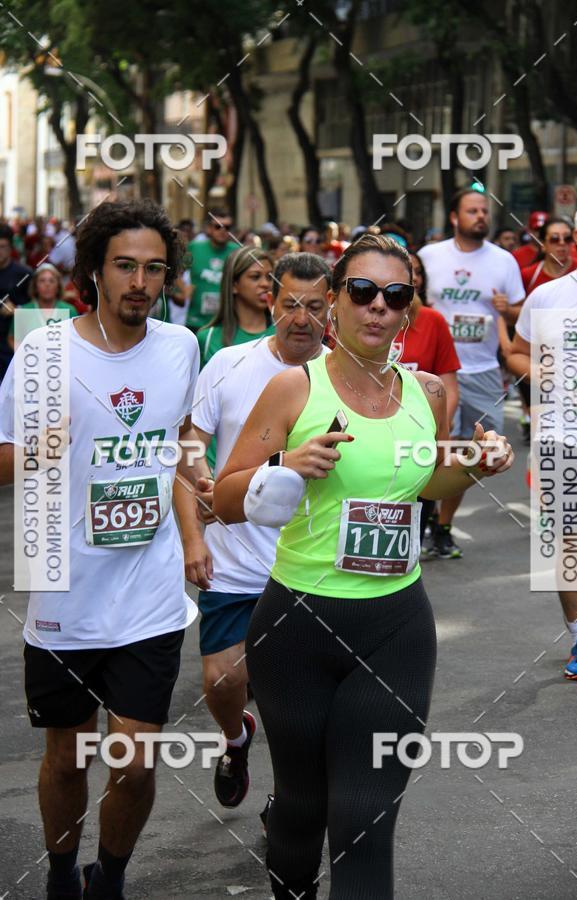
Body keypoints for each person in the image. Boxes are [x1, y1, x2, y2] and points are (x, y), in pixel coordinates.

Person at [213, 234, 513, 899]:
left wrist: (473, 466)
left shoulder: (427, 393)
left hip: (395, 627)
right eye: (363, 292)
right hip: (295, 628)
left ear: (408, 310)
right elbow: (225, 497)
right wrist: (285, 466)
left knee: (363, 820)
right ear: (336, 304)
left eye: (396, 295)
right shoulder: (294, 389)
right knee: (303, 809)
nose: (379, 306)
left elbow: (425, 483)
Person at [0, 199, 208, 900]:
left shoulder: (180, 347)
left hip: (149, 595)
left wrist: (194, 508)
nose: (140, 282)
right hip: (63, 586)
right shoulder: (45, 352)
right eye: (125, 266)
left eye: (153, 268)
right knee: (66, 758)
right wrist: (39, 449)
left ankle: (110, 877)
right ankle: (62, 872)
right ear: (93, 270)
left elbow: (183, 440)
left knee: (136, 761)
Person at [186, 252, 331, 815]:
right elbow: (192, 440)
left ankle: (285, 802)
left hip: (308, 562)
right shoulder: (226, 362)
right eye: (291, 304)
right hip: (233, 558)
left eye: (315, 307)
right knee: (224, 682)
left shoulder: (341, 377)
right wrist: (195, 518)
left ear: (331, 312)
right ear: (271, 303)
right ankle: (235, 738)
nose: (302, 318)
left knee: (294, 702)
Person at [508, 198, 577, 681]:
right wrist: (545, 372)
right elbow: (517, 353)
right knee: (569, 541)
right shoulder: (548, 296)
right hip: (563, 432)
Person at [419, 188, 524, 558]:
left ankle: (442, 524)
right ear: (454, 217)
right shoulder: (430, 256)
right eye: (472, 210)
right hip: (433, 373)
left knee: (473, 453)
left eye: (484, 211)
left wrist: (507, 310)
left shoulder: (503, 261)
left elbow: (520, 314)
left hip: (481, 370)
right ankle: (423, 520)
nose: (481, 216)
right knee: (428, 450)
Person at [394, 251, 460, 546]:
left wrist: (437, 431)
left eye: (416, 272)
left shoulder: (433, 321)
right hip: (369, 439)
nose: (413, 277)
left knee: (412, 536)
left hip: (419, 439)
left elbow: (449, 386)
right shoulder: (358, 322)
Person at [197, 246, 274, 366]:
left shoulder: (283, 333)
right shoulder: (207, 338)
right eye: (255, 277)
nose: (265, 284)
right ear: (234, 285)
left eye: (270, 277)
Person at [186, 209, 238, 332]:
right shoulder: (194, 248)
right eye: (217, 226)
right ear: (209, 228)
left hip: (226, 322)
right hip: (196, 321)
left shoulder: (236, 252)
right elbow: (176, 271)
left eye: (227, 227)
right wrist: (182, 290)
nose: (223, 230)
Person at [8, 262, 78, 350]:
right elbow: (12, 339)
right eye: (42, 281)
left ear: (58, 286)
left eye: (51, 281)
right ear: (35, 286)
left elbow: (76, 341)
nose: (47, 285)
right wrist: (25, 354)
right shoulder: (24, 311)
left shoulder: (69, 310)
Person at [0, 223, 31, 383]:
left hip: (12, 344)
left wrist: (17, 310)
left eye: (2, 246)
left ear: (10, 247)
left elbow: (38, 310)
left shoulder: (24, 274)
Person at [521, 217, 577, 295]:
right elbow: (520, 306)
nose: (562, 243)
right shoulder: (528, 275)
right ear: (543, 245)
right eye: (554, 238)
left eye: (567, 238)